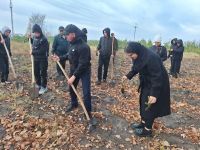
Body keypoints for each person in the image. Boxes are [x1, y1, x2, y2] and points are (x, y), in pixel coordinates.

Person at [122, 42, 171, 137]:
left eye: (131, 55)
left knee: (150, 107)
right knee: (143, 102)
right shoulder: (139, 55)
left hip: (157, 84)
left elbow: (157, 77)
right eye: (129, 55)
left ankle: (147, 130)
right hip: (147, 82)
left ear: (136, 51)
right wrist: (128, 76)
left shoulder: (151, 57)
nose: (130, 57)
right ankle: (143, 124)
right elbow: (136, 68)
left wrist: (154, 94)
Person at [52, 24, 92, 117]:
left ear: (73, 34)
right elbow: (69, 55)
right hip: (74, 69)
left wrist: (73, 77)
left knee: (86, 92)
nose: (65, 37)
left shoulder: (84, 46)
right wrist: (59, 58)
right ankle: (74, 104)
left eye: (67, 35)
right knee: (71, 88)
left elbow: (83, 64)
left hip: (84, 71)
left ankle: (88, 113)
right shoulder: (71, 44)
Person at [30, 24, 49, 94]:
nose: (36, 34)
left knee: (43, 73)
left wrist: (33, 52)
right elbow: (34, 43)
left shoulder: (44, 39)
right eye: (34, 33)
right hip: (35, 59)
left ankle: (44, 87)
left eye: (37, 32)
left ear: (40, 31)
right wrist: (30, 39)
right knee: (36, 72)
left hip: (43, 59)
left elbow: (42, 50)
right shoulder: (35, 38)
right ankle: (38, 84)